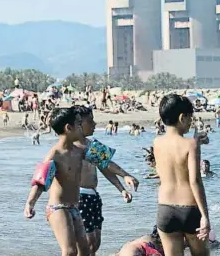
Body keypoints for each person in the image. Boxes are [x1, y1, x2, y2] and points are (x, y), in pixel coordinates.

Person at [73, 106, 140, 256]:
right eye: (90, 121)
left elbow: (104, 166)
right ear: (78, 124)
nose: (94, 124)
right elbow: (106, 162)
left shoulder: (92, 143)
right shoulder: (73, 146)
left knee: (95, 243)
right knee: (86, 244)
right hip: (80, 197)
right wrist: (126, 175)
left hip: (93, 196)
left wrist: (121, 189)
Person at [24, 107, 90, 256]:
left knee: (85, 251)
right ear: (68, 128)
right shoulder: (55, 154)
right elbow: (40, 181)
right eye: (79, 124)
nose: (82, 127)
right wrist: (30, 203)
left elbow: (105, 163)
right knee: (69, 251)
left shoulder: (80, 151)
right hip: (58, 207)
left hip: (74, 206)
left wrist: (124, 176)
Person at [153, 94, 210, 256]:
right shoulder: (190, 144)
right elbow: (195, 181)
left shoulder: (157, 142)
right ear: (182, 117)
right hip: (189, 208)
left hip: (165, 208)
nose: (191, 122)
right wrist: (205, 216)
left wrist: (196, 142)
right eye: (190, 118)